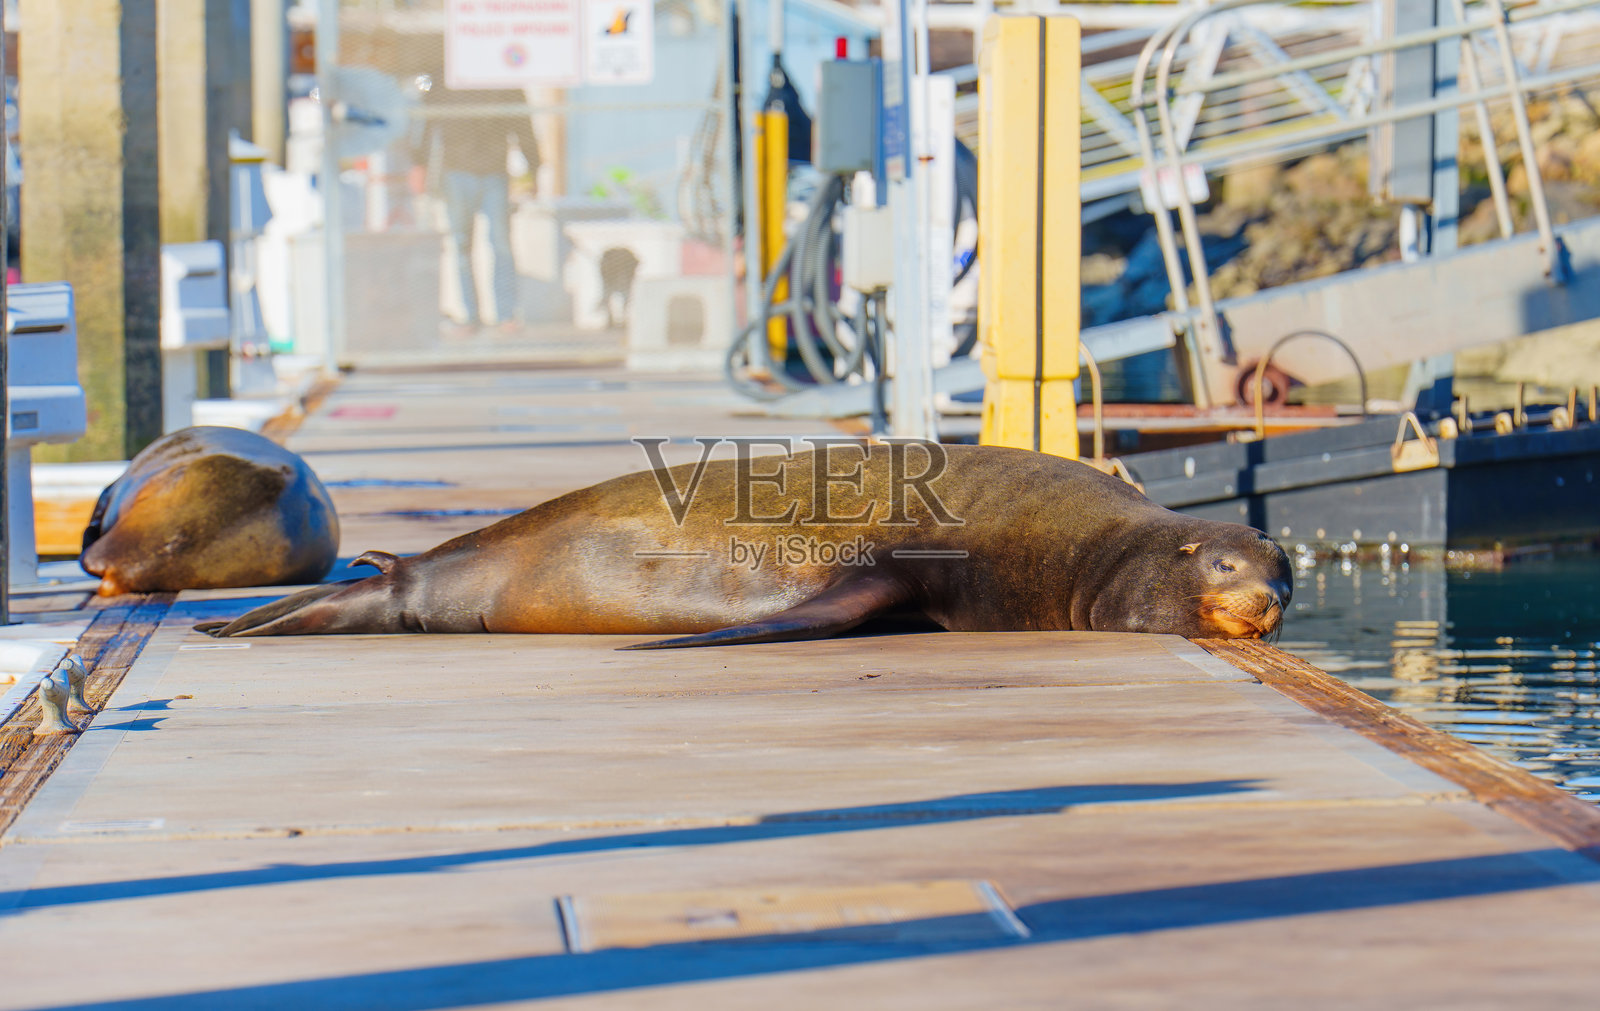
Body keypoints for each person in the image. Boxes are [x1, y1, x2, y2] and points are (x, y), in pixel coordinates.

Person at [413, 77, 540, 338]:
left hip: (495, 171)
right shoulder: (444, 78)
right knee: (460, 244)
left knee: (501, 243)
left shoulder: (504, 80)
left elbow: (522, 124)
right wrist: (420, 164)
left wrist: (533, 167)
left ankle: (507, 315)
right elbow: (427, 124)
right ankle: (469, 316)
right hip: (456, 172)